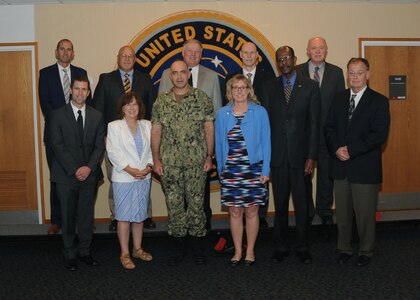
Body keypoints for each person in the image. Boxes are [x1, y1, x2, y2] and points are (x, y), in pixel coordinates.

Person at [324, 57, 390, 267]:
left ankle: (366, 250)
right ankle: (344, 248)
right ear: (347, 75)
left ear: (367, 74)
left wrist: (351, 150)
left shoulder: (379, 101)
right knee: (342, 215)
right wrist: (336, 148)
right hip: (341, 166)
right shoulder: (338, 98)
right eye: (351, 72)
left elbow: (378, 135)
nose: (355, 77)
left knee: (364, 215)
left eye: (359, 72)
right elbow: (329, 128)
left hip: (364, 167)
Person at [261, 46, 321, 265]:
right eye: (280, 59)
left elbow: (315, 124)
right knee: (281, 205)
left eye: (288, 57)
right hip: (277, 157)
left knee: (303, 206)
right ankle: (280, 246)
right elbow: (264, 125)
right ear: (277, 62)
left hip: (301, 157)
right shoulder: (268, 87)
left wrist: (312, 156)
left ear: (295, 59)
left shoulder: (311, 87)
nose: (284, 61)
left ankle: (303, 246)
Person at [151, 59, 214, 266]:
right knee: (175, 206)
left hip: (197, 162)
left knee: (197, 206)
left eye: (182, 72)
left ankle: (198, 250)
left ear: (189, 74)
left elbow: (208, 128)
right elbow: (156, 131)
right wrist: (156, 159)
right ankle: (179, 250)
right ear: (170, 76)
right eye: (175, 73)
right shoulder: (161, 102)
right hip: (170, 164)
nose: (179, 76)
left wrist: (209, 156)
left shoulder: (201, 98)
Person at [158, 39, 222, 230]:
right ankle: (180, 232)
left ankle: (202, 229)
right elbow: (160, 117)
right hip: (173, 152)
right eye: (189, 51)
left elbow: (216, 112)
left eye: (197, 52)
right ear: (182, 53)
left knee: (200, 196)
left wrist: (212, 151)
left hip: (201, 150)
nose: (193, 55)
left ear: (201, 54)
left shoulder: (212, 76)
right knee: (176, 197)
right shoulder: (166, 75)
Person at [93, 45, 156, 231]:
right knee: (117, 177)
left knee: (144, 176)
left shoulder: (146, 79)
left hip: (141, 140)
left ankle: (145, 214)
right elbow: (98, 109)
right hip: (115, 141)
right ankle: (116, 215)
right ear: (118, 58)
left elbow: (151, 110)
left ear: (135, 59)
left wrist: (151, 138)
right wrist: (103, 136)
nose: (127, 59)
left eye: (130, 56)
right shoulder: (106, 79)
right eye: (123, 56)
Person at [49, 76, 105, 271]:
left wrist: (88, 167)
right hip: (65, 176)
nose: (81, 93)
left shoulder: (97, 116)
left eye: (84, 89)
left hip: (89, 175)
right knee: (68, 216)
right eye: (77, 89)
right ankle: (69, 253)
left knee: (85, 216)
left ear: (89, 93)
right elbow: (56, 145)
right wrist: (75, 169)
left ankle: (85, 252)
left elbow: (99, 146)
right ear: (71, 90)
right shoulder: (57, 115)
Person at [215, 74, 270, 266]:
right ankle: (238, 251)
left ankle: (251, 251)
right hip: (231, 169)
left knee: (252, 212)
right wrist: (221, 170)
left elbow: (266, 142)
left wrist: (266, 169)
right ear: (230, 91)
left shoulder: (260, 112)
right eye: (235, 88)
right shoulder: (222, 113)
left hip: (253, 169)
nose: (239, 91)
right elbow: (219, 144)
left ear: (249, 90)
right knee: (235, 212)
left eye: (243, 87)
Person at [39, 39, 91, 235]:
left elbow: (88, 102)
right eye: (62, 49)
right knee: (58, 178)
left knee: (80, 178)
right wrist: (64, 124)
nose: (65, 52)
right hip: (55, 136)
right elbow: (46, 105)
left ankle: (80, 219)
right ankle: (57, 220)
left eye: (69, 49)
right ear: (56, 52)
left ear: (73, 53)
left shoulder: (81, 73)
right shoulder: (45, 74)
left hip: (79, 137)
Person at [225, 41, 275, 229]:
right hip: (236, 148)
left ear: (257, 55)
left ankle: (260, 220)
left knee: (258, 196)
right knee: (236, 207)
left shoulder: (268, 77)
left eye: (252, 52)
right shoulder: (230, 77)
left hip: (258, 142)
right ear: (240, 54)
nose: (248, 56)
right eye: (245, 52)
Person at [296, 36, 345, 226]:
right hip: (303, 135)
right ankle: (307, 210)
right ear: (307, 51)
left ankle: (324, 209)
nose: (317, 51)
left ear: (326, 50)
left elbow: (340, 104)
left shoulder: (337, 73)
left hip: (327, 134)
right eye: (313, 48)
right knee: (304, 175)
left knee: (326, 174)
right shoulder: (297, 71)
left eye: (321, 48)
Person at [106, 92, 154, 270]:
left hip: (143, 176)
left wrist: (148, 167)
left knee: (140, 216)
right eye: (128, 105)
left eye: (135, 104)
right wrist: (130, 170)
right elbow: (113, 152)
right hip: (124, 178)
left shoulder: (147, 125)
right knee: (124, 217)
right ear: (122, 108)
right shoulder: (114, 126)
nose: (132, 107)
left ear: (139, 107)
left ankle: (138, 249)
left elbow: (152, 149)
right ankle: (124, 253)